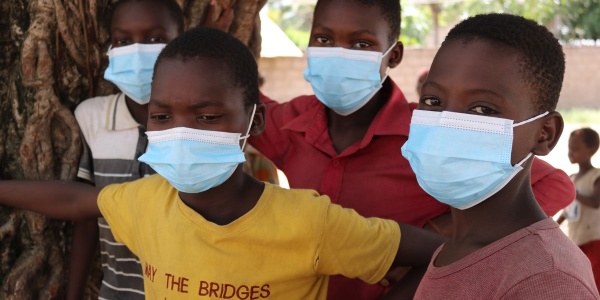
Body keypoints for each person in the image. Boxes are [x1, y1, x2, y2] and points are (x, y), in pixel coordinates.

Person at [0, 27, 446, 299]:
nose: (180, 130)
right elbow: (77, 201)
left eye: (207, 116)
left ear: (255, 122)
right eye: (161, 115)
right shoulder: (145, 202)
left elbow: (441, 256)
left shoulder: (311, 223)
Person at [249, 0, 576, 298]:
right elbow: (227, 107)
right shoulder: (289, 124)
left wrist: (442, 238)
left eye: (362, 43)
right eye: (323, 40)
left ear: (393, 54)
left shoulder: (427, 136)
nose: (339, 54)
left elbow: (555, 185)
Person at [396, 13, 599, 299]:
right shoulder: (456, 247)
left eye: (482, 109)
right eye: (433, 101)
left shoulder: (547, 280)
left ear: (544, 133)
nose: (446, 123)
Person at [68, 1, 183, 299]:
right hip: (117, 291)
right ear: (110, 48)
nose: (137, 51)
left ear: (180, 45)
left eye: (155, 39)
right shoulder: (92, 118)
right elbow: (85, 215)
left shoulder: (202, 126)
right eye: (122, 40)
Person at [559, 128, 600, 289]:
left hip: (594, 240)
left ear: (592, 150)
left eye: (575, 149)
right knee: (580, 283)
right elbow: (568, 210)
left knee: (593, 283)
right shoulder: (572, 178)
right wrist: (555, 224)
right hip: (576, 241)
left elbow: (596, 202)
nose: (571, 152)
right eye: (569, 148)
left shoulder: (596, 176)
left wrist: (572, 192)